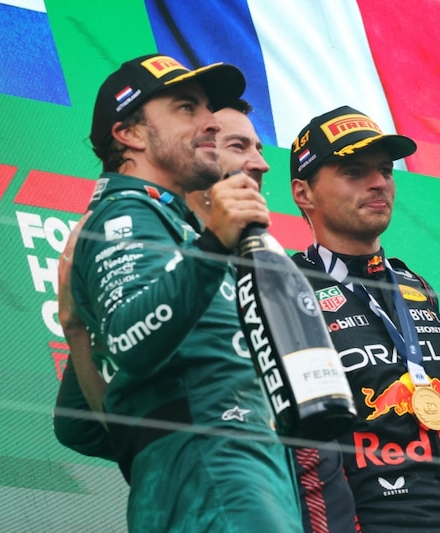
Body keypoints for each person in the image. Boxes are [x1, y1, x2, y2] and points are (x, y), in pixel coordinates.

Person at [66, 53, 302, 531]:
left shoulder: (173, 226)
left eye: (207, 109)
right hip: (217, 483)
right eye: (185, 108)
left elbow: (80, 422)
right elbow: (133, 339)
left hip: (239, 476)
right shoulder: (125, 214)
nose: (211, 122)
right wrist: (214, 244)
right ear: (129, 134)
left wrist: (76, 332)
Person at [288, 106, 440, 532]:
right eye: (353, 171)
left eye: (385, 170)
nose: (378, 182)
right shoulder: (285, 287)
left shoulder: (413, 284)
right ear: (303, 193)